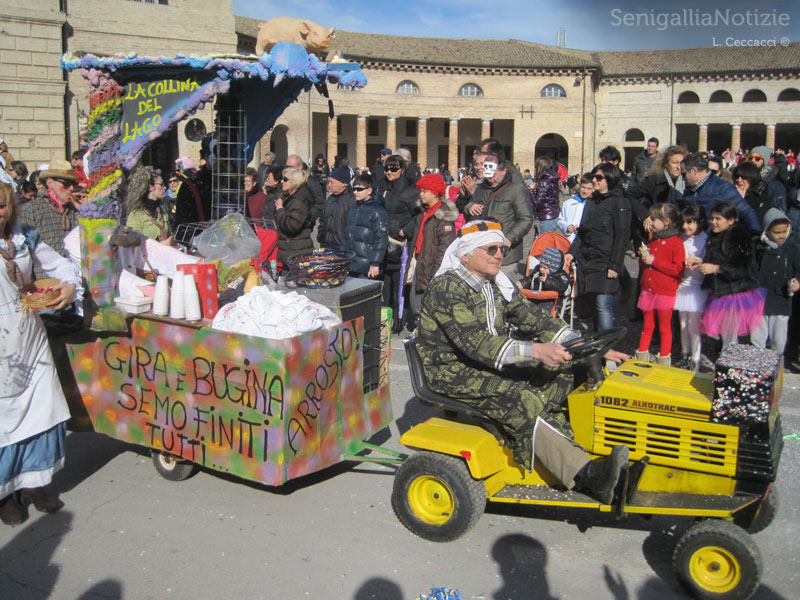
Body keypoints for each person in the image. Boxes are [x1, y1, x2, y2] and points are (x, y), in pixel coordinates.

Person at [416, 220, 630, 503]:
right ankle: (586, 474)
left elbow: (535, 319)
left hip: (484, 362)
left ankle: (568, 445)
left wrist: (585, 347)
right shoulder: (448, 288)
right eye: (490, 248)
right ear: (466, 254)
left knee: (569, 371)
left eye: (501, 248)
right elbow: (478, 346)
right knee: (521, 397)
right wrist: (538, 351)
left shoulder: (495, 284)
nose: (499, 254)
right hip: (451, 371)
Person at [0, 182, 82, 525]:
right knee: (4, 421)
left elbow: (61, 266)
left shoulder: (24, 236)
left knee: (40, 412)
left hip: (30, 339)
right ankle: (7, 493)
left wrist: (68, 284)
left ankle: (33, 483)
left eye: (3, 206)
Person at [688, 202, 765, 348]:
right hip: (721, 290)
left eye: (718, 219)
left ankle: (728, 365)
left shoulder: (738, 236)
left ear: (731, 220)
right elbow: (715, 260)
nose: (713, 222)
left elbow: (741, 267)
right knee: (725, 332)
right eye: (712, 218)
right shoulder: (716, 235)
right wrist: (701, 262)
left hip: (735, 291)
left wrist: (716, 268)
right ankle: (726, 361)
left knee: (730, 334)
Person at [565, 163, 631, 332]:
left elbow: (622, 236)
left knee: (603, 305)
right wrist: (571, 252)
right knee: (594, 304)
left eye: (598, 177)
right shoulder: (591, 202)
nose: (594, 180)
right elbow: (582, 231)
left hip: (606, 262)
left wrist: (615, 265)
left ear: (609, 179)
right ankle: (597, 344)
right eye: (594, 176)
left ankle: (607, 347)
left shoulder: (619, 202)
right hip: (589, 261)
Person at [463, 156, 533, 282]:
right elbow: (470, 211)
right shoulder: (481, 188)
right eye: (488, 175)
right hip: (483, 253)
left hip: (506, 255)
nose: (490, 178)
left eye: (494, 175)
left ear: (504, 171)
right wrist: (469, 206)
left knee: (503, 293)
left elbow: (526, 219)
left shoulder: (516, 189)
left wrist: (509, 238)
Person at [635, 203, 685, 366]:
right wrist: (643, 259)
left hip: (664, 291)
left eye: (655, 219)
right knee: (647, 324)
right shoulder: (653, 240)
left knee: (664, 327)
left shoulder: (676, 243)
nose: (651, 222)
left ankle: (664, 358)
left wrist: (653, 261)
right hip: (648, 289)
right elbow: (646, 265)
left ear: (667, 222)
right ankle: (642, 354)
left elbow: (677, 269)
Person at [406, 173, 458, 329]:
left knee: (428, 301)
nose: (420, 194)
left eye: (424, 191)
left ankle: (425, 332)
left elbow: (445, 248)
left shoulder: (443, 216)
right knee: (415, 300)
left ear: (435, 192)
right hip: (419, 260)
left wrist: (437, 271)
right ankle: (418, 329)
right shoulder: (422, 212)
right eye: (420, 191)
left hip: (431, 264)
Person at [751, 208, 800, 353]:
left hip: (781, 297)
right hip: (760, 296)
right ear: (766, 231)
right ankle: (757, 368)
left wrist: (797, 281)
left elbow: (798, 269)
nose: (781, 236)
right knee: (757, 337)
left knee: (779, 340)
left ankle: (777, 367)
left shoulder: (791, 249)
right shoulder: (758, 247)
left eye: (784, 231)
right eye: (777, 232)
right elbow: (752, 268)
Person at [382, 154, 420, 333]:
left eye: (393, 168)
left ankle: (398, 320)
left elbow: (418, 215)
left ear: (402, 170)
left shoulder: (411, 191)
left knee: (398, 282)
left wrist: (404, 230)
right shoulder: (385, 188)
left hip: (400, 242)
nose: (389, 172)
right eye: (387, 168)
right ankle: (386, 318)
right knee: (386, 281)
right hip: (385, 241)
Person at [680, 153, 761, 234]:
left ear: (694, 170)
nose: (682, 178)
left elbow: (746, 212)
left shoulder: (723, 188)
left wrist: (755, 234)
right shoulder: (689, 190)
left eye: (684, 174)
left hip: (713, 240)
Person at [20, 159, 81, 259]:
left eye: (74, 184)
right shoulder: (30, 210)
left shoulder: (77, 209)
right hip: (46, 274)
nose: (72, 189)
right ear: (50, 182)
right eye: (66, 184)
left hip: (76, 273)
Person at [674, 206, 710, 371]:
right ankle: (685, 353)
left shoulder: (705, 239)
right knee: (682, 323)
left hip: (698, 286)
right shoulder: (681, 238)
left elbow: (708, 261)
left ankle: (696, 357)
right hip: (683, 284)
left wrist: (698, 261)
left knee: (693, 324)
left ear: (700, 222)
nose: (685, 226)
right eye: (684, 223)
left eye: (690, 223)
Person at [341, 173, 388, 279]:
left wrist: (375, 263)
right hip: (351, 263)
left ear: (369, 191)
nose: (355, 192)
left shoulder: (378, 211)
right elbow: (346, 235)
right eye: (354, 189)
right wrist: (342, 256)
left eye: (359, 189)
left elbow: (381, 239)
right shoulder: (353, 209)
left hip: (367, 267)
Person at [274, 167, 314, 272]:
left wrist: (280, 209)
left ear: (294, 182)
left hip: (297, 253)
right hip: (290, 252)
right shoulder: (291, 197)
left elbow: (292, 226)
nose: (282, 181)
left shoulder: (299, 200)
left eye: (285, 179)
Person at [125, 168, 171, 242]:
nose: (165, 187)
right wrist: (165, 244)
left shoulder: (163, 211)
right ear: (150, 187)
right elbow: (136, 248)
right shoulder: (136, 215)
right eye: (161, 184)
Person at [318, 164, 355, 250]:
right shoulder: (330, 199)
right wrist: (321, 236)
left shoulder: (352, 201)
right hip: (327, 247)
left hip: (343, 249)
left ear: (343, 184)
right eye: (328, 182)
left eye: (332, 182)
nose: (329, 185)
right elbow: (323, 220)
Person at [747, 146, 787, 213]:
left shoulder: (775, 185)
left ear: (765, 160)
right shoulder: (743, 178)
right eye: (750, 158)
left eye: (757, 158)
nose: (752, 161)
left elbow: (779, 211)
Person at [529, 156, 561, 235]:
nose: (534, 169)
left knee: (547, 244)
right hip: (553, 214)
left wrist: (532, 190)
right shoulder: (552, 179)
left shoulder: (544, 182)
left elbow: (537, 202)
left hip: (547, 215)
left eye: (536, 167)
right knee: (550, 241)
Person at [557, 173, 592, 242]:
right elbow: (560, 220)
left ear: (593, 189)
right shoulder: (568, 203)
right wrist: (567, 227)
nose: (585, 191)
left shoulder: (593, 205)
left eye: (589, 189)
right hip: (570, 240)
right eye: (583, 187)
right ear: (579, 186)